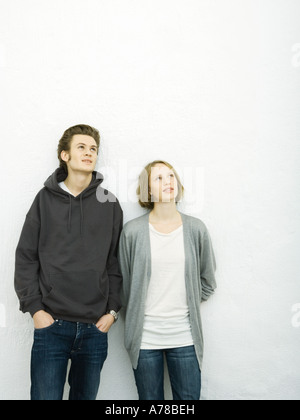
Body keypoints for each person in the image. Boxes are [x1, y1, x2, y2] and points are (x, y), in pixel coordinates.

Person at [14, 124, 123, 400]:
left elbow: (115, 263)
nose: (89, 153)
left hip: (94, 329)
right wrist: (36, 311)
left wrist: (112, 312)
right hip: (52, 327)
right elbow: (26, 257)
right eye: (81, 147)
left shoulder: (109, 204)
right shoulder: (45, 200)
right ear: (65, 155)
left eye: (93, 149)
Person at [118, 160, 217, 400]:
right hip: (145, 338)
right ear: (148, 189)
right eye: (159, 178)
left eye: (171, 176)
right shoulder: (132, 232)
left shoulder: (195, 229)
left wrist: (188, 302)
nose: (168, 182)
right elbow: (123, 285)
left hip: (185, 336)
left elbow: (208, 281)